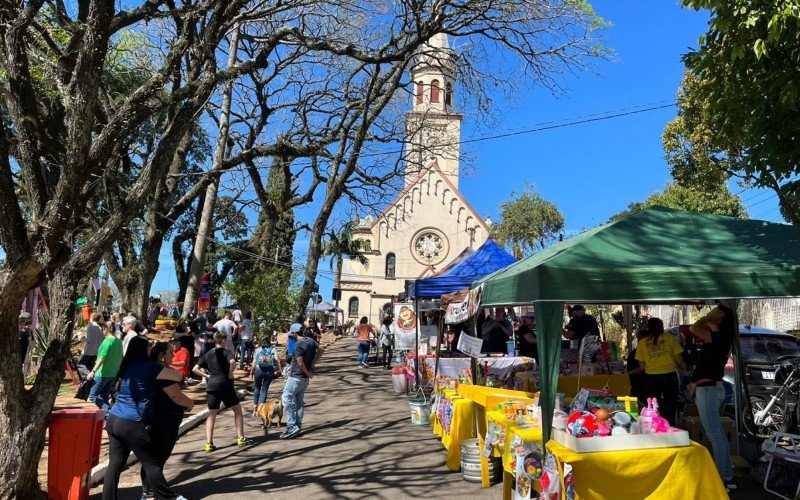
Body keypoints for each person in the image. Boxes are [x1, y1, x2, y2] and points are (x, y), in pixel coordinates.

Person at [103, 336, 187, 500]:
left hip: (113, 419)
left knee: (114, 465)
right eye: (149, 346)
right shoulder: (149, 368)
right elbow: (177, 377)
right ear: (143, 349)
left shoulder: (126, 367)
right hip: (131, 422)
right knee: (151, 464)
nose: (151, 349)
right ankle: (169, 497)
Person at [688, 305, 736, 491]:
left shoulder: (718, 337)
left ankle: (720, 478)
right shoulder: (721, 337)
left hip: (708, 390)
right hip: (709, 388)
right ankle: (727, 477)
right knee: (717, 435)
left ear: (720, 316)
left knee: (714, 435)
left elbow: (693, 329)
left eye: (716, 311)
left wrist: (707, 317)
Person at [140, 343, 194, 500]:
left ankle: (148, 491)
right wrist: (191, 403)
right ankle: (151, 492)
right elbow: (176, 397)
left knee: (153, 458)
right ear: (162, 355)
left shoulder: (154, 371)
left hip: (158, 418)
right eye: (171, 353)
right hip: (165, 420)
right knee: (158, 457)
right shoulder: (164, 374)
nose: (174, 356)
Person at [193, 331, 252, 451]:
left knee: (212, 414)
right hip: (225, 385)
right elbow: (233, 362)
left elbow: (195, 369)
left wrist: (208, 376)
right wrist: (230, 373)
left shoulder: (208, 353)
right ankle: (241, 438)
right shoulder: (227, 352)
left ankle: (209, 443)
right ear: (223, 340)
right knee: (237, 410)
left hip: (212, 386)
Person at [635, 317, 686, 426]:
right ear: (662, 327)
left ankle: (656, 428)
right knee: (671, 405)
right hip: (670, 376)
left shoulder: (642, 343)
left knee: (653, 406)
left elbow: (641, 365)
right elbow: (679, 360)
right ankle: (670, 427)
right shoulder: (670, 338)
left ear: (649, 328)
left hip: (651, 378)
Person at [281, 328, 324, 439]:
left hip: (296, 376)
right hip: (304, 379)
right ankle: (298, 427)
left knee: (286, 398)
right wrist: (313, 363)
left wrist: (308, 372)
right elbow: (321, 349)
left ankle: (291, 427)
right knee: (299, 402)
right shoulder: (311, 341)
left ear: (295, 333)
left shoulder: (298, 344)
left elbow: (300, 362)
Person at [87, 322, 123, 410]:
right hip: (112, 373)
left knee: (92, 396)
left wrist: (93, 371)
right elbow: (120, 357)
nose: (101, 331)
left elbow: (102, 358)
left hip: (102, 373)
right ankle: (107, 419)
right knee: (104, 397)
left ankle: (109, 414)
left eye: (102, 329)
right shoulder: (118, 342)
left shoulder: (107, 341)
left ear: (107, 329)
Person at [251, 336, 281, 412]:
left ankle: (255, 406)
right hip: (269, 371)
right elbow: (277, 360)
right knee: (264, 389)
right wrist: (279, 370)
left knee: (257, 388)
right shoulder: (273, 349)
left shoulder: (258, 349)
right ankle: (262, 408)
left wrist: (251, 372)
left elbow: (254, 362)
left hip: (259, 370)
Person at [625, 329, 650, 404]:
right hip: (637, 386)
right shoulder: (633, 354)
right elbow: (642, 368)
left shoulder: (650, 352)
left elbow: (643, 368)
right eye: (640, 341)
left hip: (647, 386)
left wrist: (628, 373)